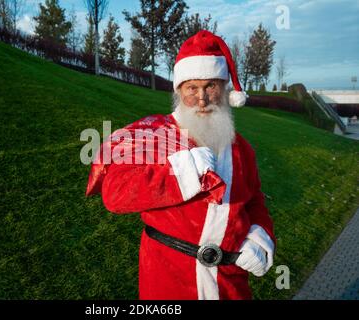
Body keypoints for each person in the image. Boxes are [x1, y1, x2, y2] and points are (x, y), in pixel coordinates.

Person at [85, 30, 276, 300]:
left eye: (211, 86)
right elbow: (115, 193)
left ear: (225, 89)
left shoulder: (242, 150)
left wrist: (260, 235)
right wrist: (180, 173)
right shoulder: (156, 135)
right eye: (192, 88)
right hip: (169, 280)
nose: (202, 99)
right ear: (179, 91)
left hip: (229, 285)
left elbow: (254, 200)